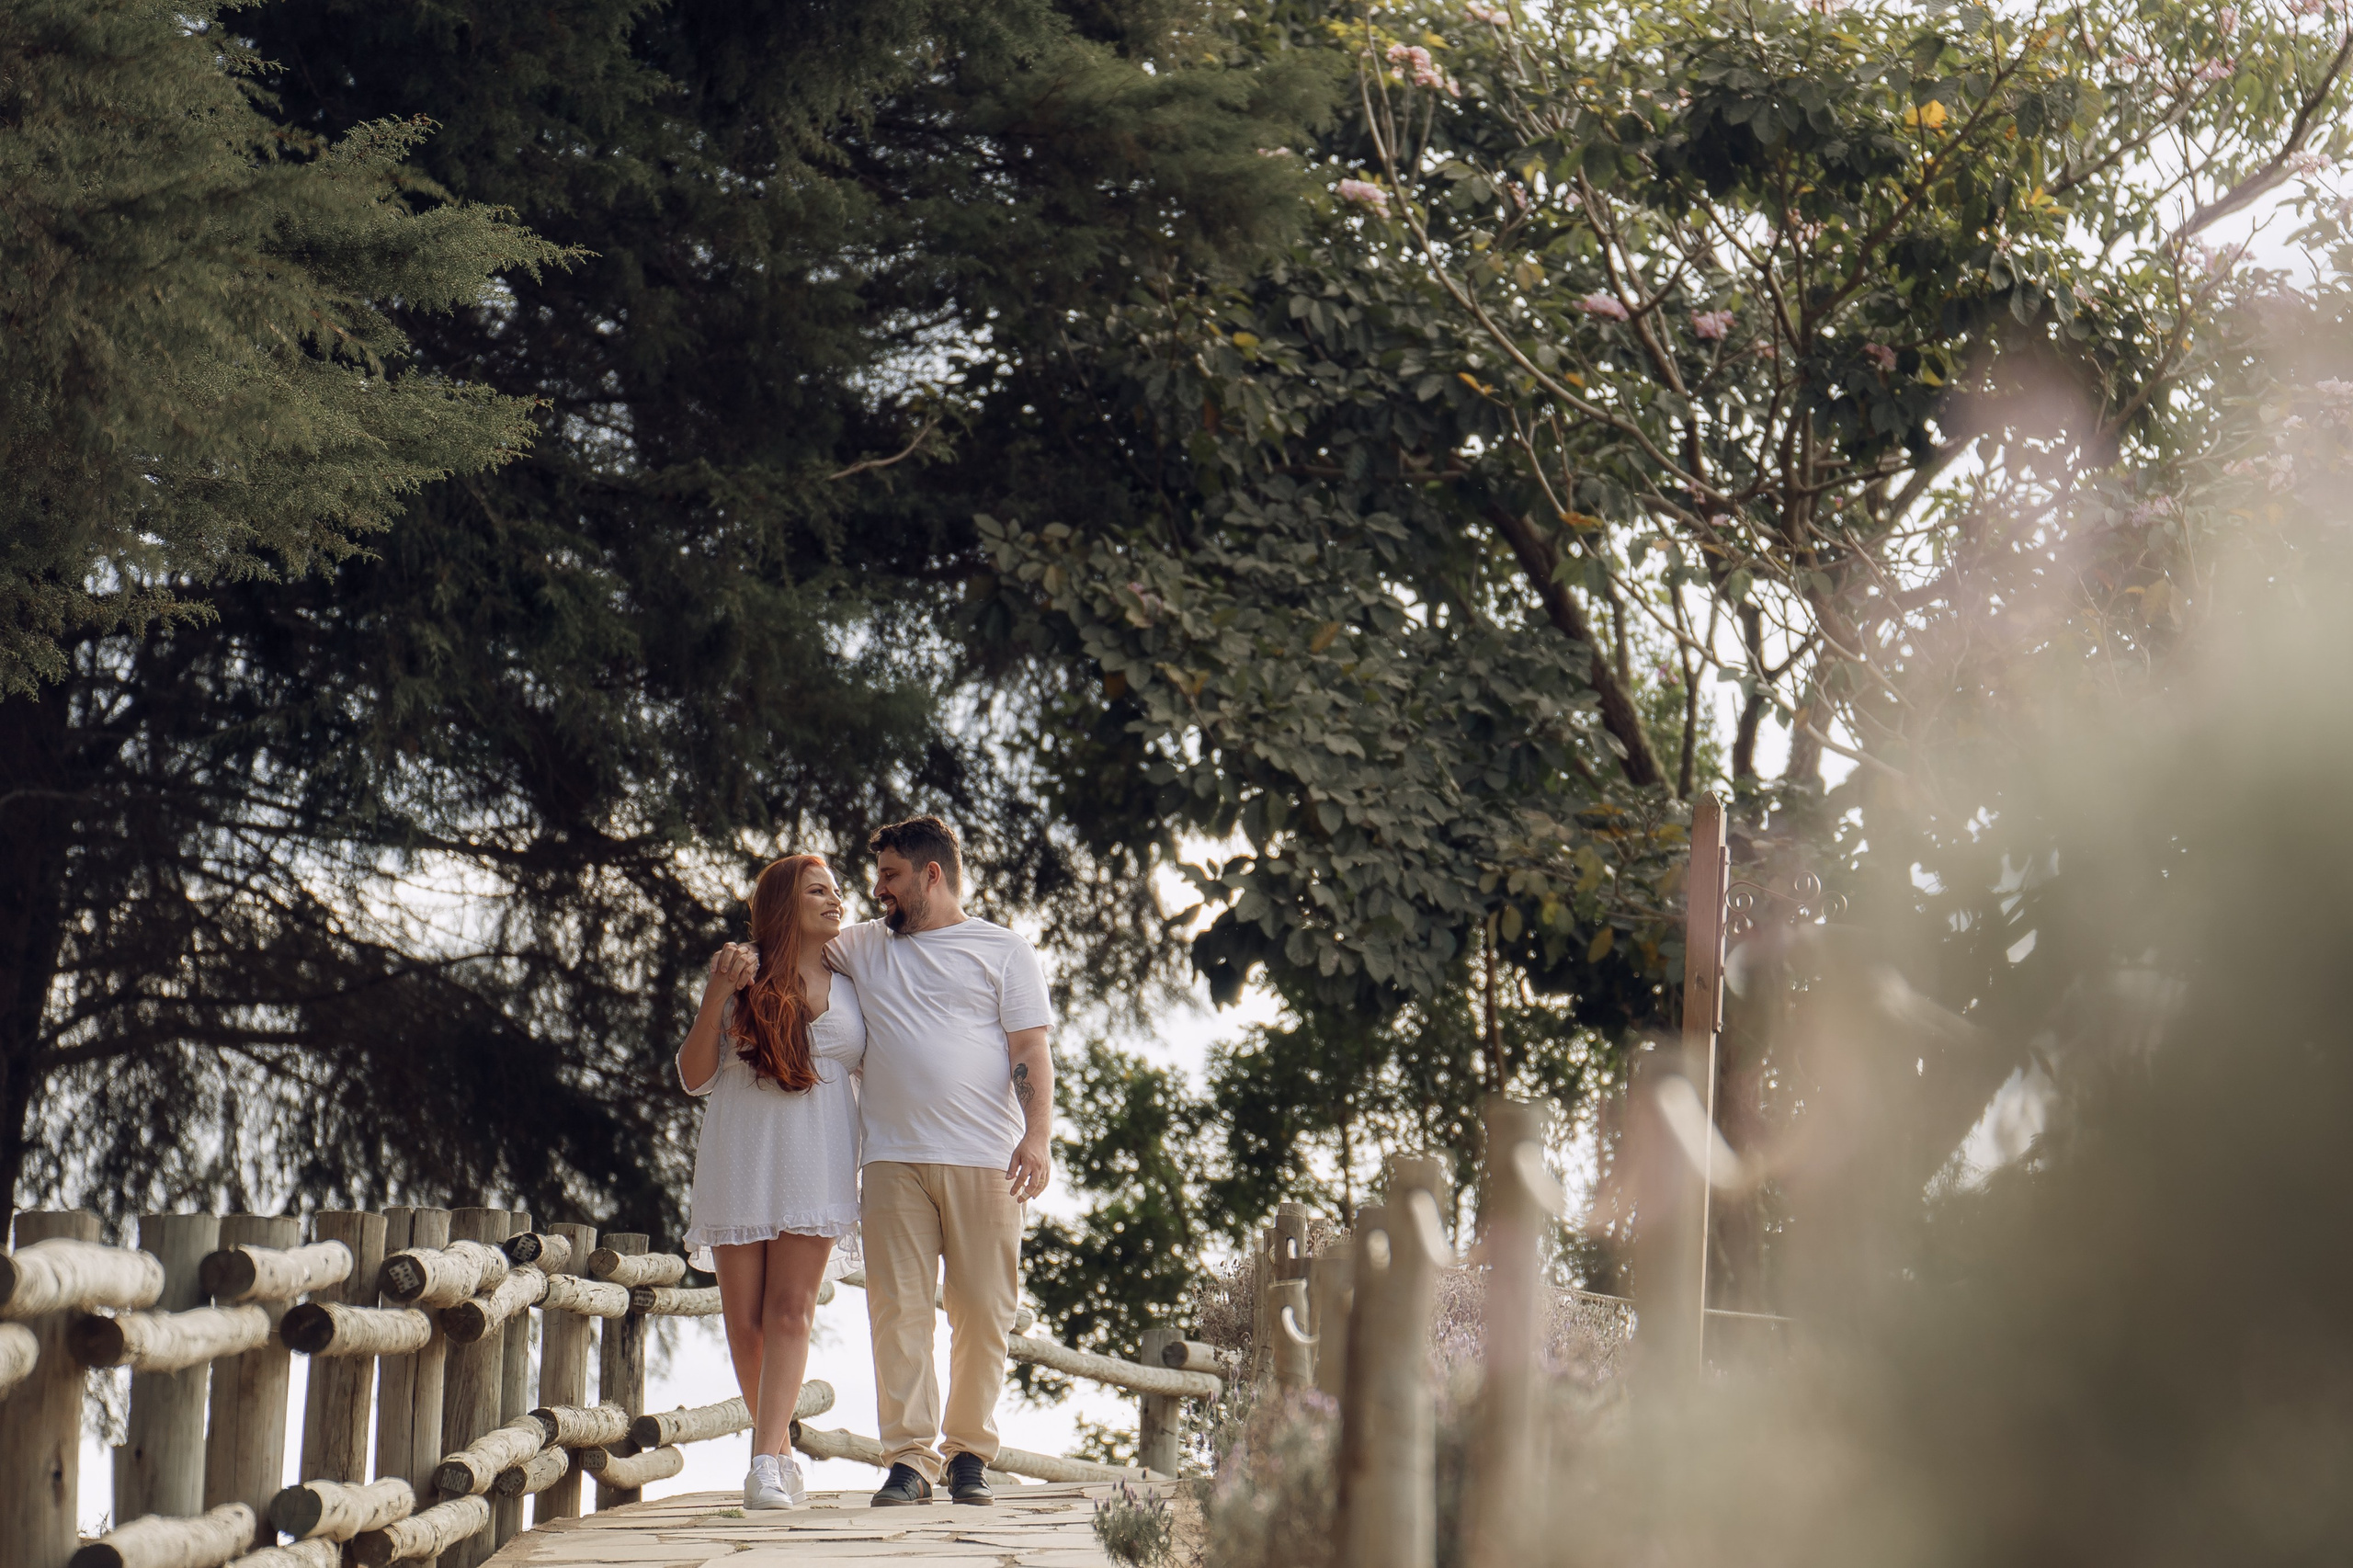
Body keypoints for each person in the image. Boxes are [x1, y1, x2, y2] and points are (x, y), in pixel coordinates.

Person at [826, 814, 1053, 1507]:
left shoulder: (1002, 950)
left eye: (891, 877)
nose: (879, 891)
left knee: (984, 1312)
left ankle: (969, 1456)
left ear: (932, 875)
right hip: (892, 1160)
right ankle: (908, 1459)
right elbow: (795, 943)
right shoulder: (863, 946)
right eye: (877, 878)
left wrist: (1037, 1137)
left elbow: (1029, 1050)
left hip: (987, 1160)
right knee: (899, 1314)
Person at [676, 854, 866, 1511]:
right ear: (786, 904)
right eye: (819, 890)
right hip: (741, 1157)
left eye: (837, 889)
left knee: (792, 1309)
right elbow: (694, 1075)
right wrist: (713, 998)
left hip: (818, 1158)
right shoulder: (740, 972)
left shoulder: (854, 976)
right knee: (743, 1320)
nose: (836, 899)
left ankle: (762, 1463)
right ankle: (779, 1454)